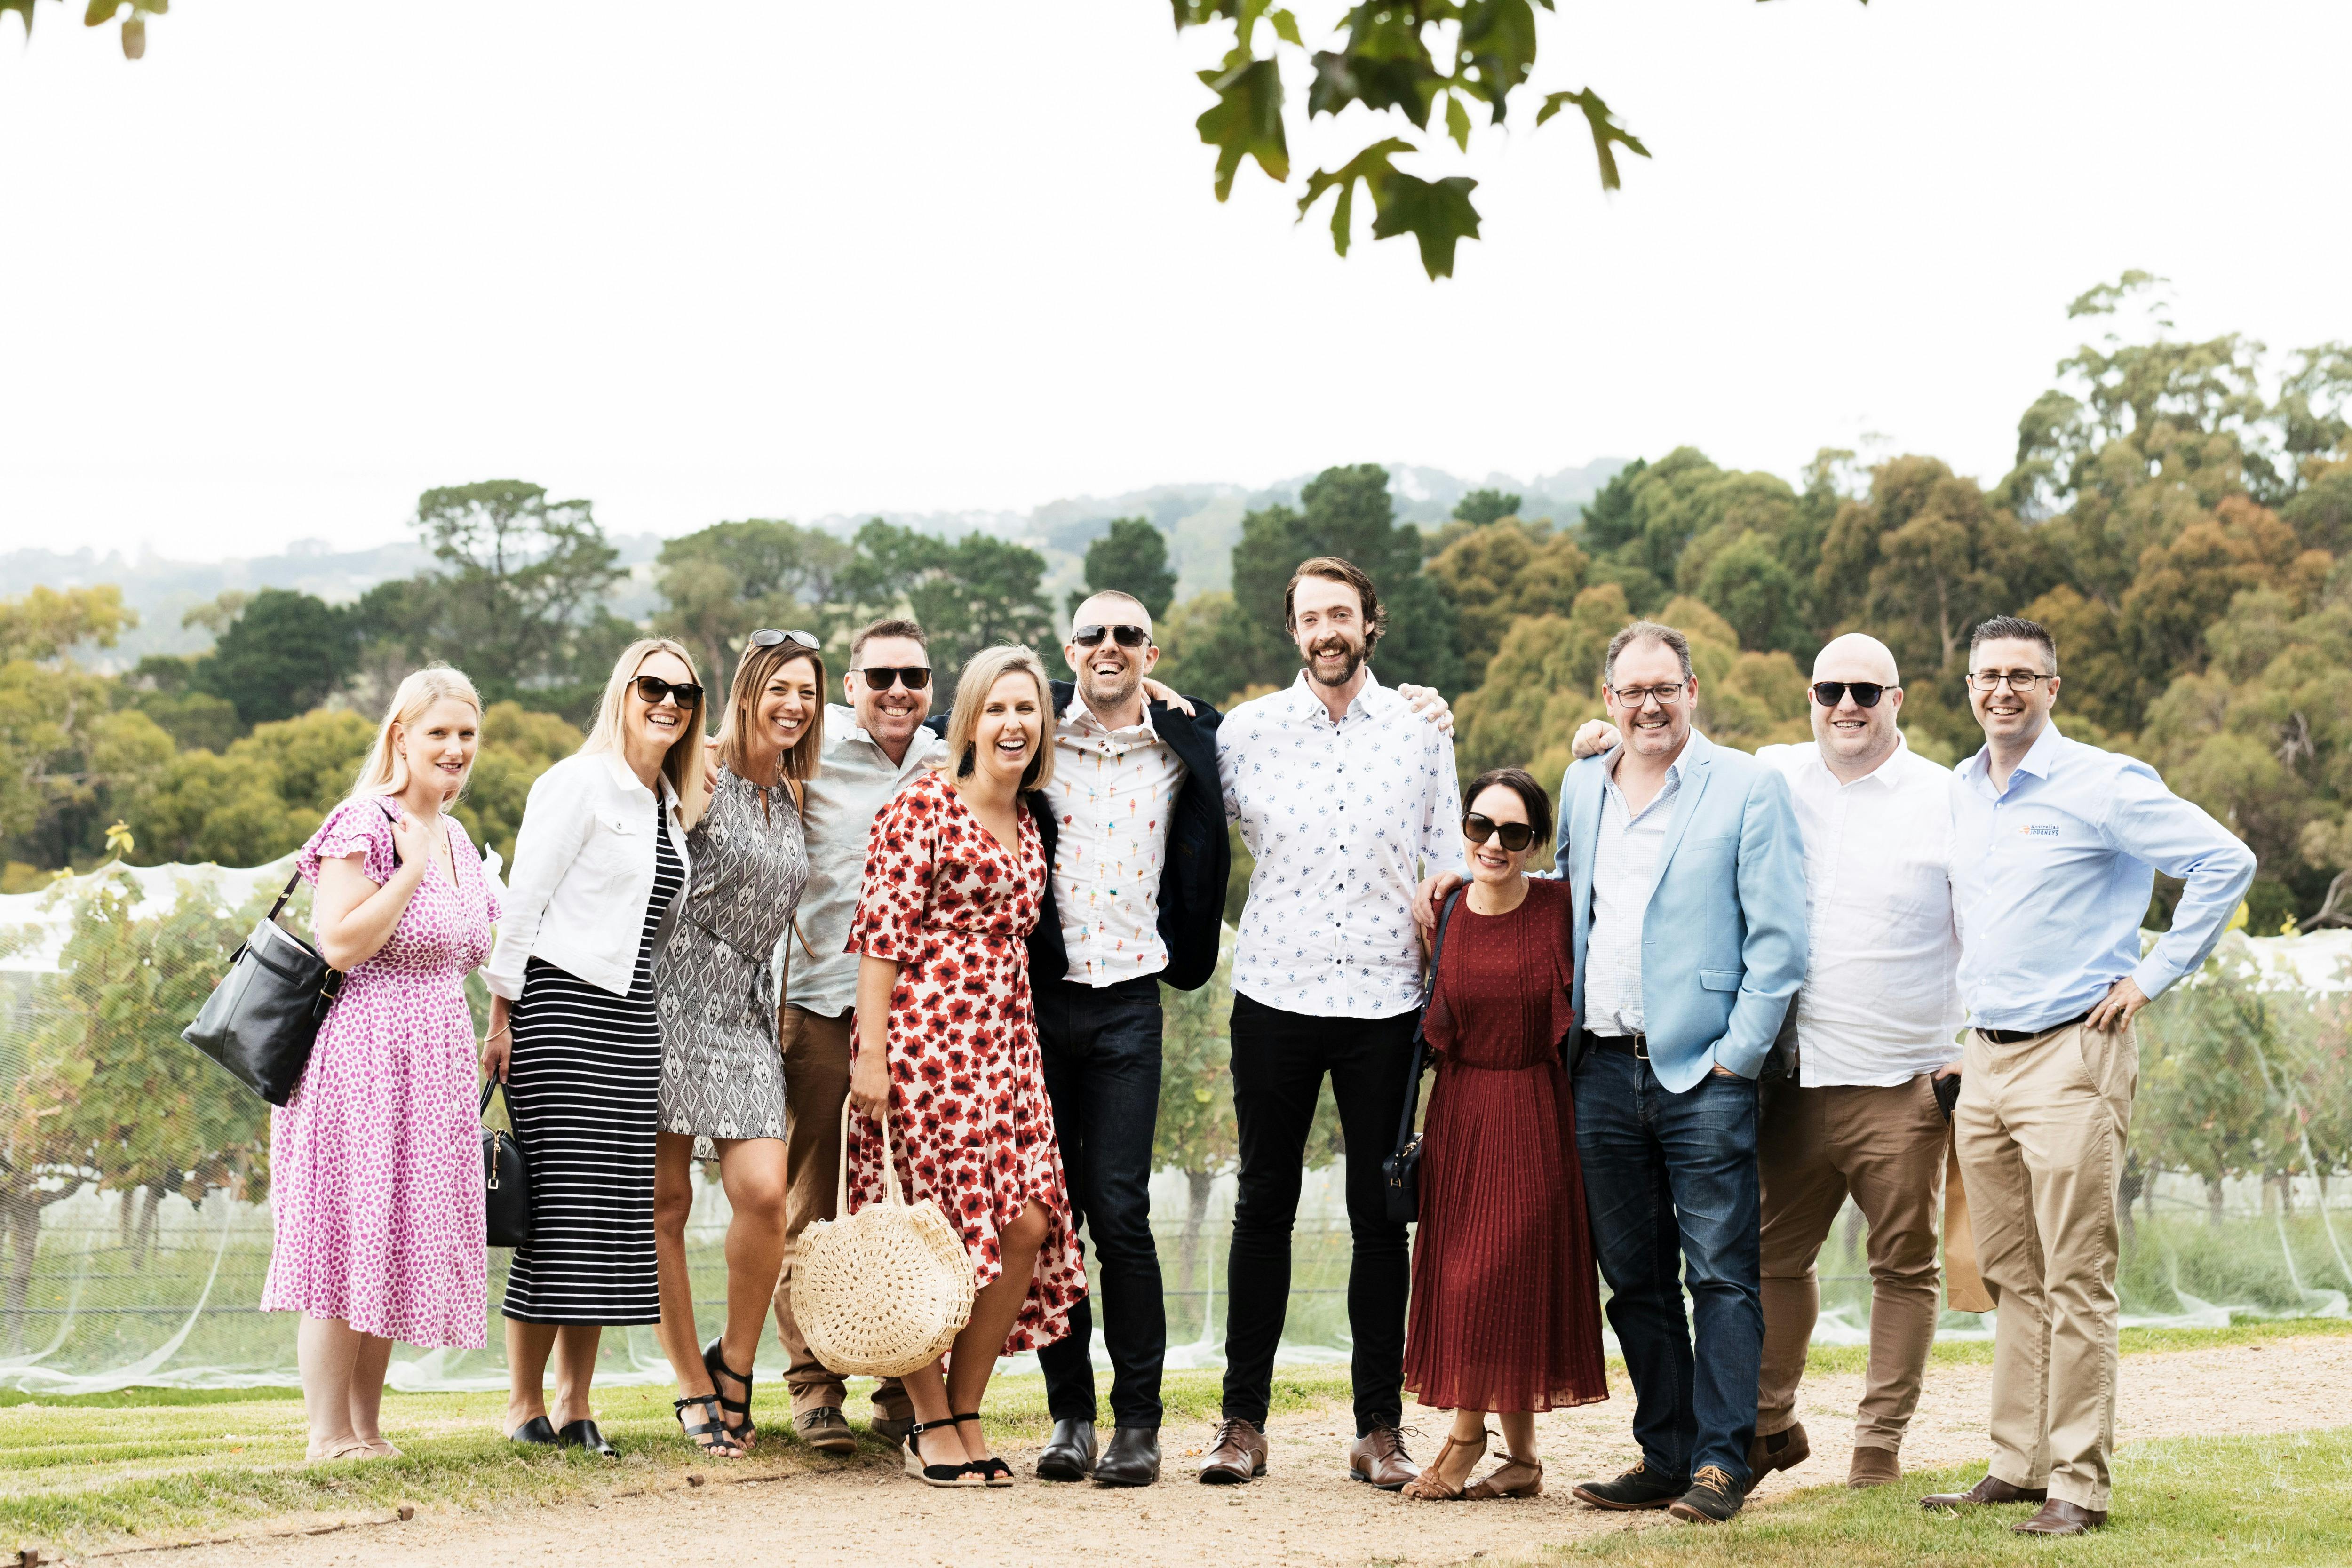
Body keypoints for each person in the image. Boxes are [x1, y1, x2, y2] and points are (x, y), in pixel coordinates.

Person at [1569, 630, 1966, 1490]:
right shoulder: (1766, 772)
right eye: (1832, 691)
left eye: (1868, 690)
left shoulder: (1941, 796)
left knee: (1883, 1266)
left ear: (1899, 698)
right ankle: (1733, 1436)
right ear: (1811, 700)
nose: (1848, 706)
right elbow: (1603, 851)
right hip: (1764, 1075)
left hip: (1883, 1076)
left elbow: (1980, 918)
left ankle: (1856, 1449)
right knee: (1724, 1268)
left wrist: (1962, 1052)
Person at [1923, 615, 2254, 1537]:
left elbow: (2225, 861)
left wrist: (2149, 976)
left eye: (2022, 675)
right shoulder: (1957, 788)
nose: (2002, 689)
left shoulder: (2102, 781)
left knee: (2076, 1273)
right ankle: (2017, 1464)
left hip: (2074, 1051)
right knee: (2009, 1270)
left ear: (2052, 687)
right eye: (1988, 674)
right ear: (1969, 686)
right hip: (1985, 1057)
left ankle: (2078, 1481)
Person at [1201, 555, 1467, 1492]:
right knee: (1261, 1206)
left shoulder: (1421, 730)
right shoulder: (1248, 732)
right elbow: (1193, 807)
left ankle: (1378, 1428)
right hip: (1273, 988)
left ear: (1370, 622)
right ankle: (1242, 1423)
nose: (1326, 628)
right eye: (1311, 615)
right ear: (1292, 630)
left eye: (1341, 613)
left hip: (1387, 997)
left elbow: (1448, 858)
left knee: (1376, 1220)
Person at [1540, 619, 1805, 1525]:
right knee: (1637, 1279)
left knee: (1722, 1276)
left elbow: (1779, 942)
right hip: (1602, 1071)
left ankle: (1725, 1462)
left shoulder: (1749, 786)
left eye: (1666, 687)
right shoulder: (1583, 783)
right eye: (1631, 690)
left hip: (1705, 1072)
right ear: (1607, 699)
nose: (1649, 704)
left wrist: (1740, 1057)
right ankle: (1667, 1452)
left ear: (1694, 689)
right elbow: (1567, 900)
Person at [846, 643, 1085, 1488]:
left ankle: (966, 1408)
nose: (1014, 724)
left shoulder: (1029, 820)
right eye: (998, 709)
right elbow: (879, 936)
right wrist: (871, 1055)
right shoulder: (923, 807)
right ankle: (928, 1418)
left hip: (1006, 1048)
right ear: (972, 720)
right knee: (926, 1234)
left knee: (1024, 1225)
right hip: (923, 1043)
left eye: (1028, 711)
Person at [263, 665, 500, 1462]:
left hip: (433, 1062)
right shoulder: (366, 821)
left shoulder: (460, 840)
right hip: (359, 1058)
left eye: (467, 734)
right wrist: (408, 868)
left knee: (393, 1238)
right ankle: (328, 1434)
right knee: (344, 1235)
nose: (456, 748)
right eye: (439, 732)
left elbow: (481, 948)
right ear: (401, 735)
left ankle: (366, 1427)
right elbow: (340, 940)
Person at [1020, 591, 1228, 1489]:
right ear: (1070, 648)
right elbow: (945, 712)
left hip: (1129, 1005)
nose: (1110, 647)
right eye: (1095, 634)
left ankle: (1137, 1423)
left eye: (1128, 636)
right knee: (1049, 1217)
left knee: (1121, 1211)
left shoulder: (1184, 742)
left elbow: (1242, 729)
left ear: (1151, 649)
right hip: (1035, 1003)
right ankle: (1071, 1416)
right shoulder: (1032, 731)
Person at [483, 638, 709, 1457]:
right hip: (559, 1011)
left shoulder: (665, 804)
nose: (670, 703)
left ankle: (578, 1405)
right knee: (557, 1216)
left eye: (685, 693)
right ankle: (521, 1405)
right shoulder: (576, 783)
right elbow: (524, 902)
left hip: (630, 1019)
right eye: (654, 686)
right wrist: (501, 1018)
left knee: (609, 1221)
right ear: (624, 691)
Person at [1398, 767, 1607, 1503]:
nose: (1493, 842)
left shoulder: (1558, 905)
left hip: (1534, 1109)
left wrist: (1596, 748)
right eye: (1480, 825)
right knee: (1465, 1275)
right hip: (1459, 1115)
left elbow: (1609, 828)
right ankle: (1521, 1460)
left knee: (1499, 1274)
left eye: (1513, 832)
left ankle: (1464, 1438)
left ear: (1536, 843)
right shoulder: (1445, 905)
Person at [770, 617, 945, 1452]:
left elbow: (1049, 702)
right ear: (850, 686)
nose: (897, 691)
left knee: (912, 1202)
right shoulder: (808, 755)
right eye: (880, 677)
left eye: (913, 675)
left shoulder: (948, 759)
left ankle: (904, 1382)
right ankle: (812, 1384)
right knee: (810, 1199)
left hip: (924, 1018)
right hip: (819, 1002)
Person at [650, 630, 824, 1458]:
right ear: (748, 686)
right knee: (670, 1201)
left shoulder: (789, 794)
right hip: (670, 989)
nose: (795, 704)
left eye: (809, 692)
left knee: (761, 1191)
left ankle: (736, 1361)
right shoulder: (701, 769)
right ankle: (689, 1379)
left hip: (746, 1006)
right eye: (780, 687)